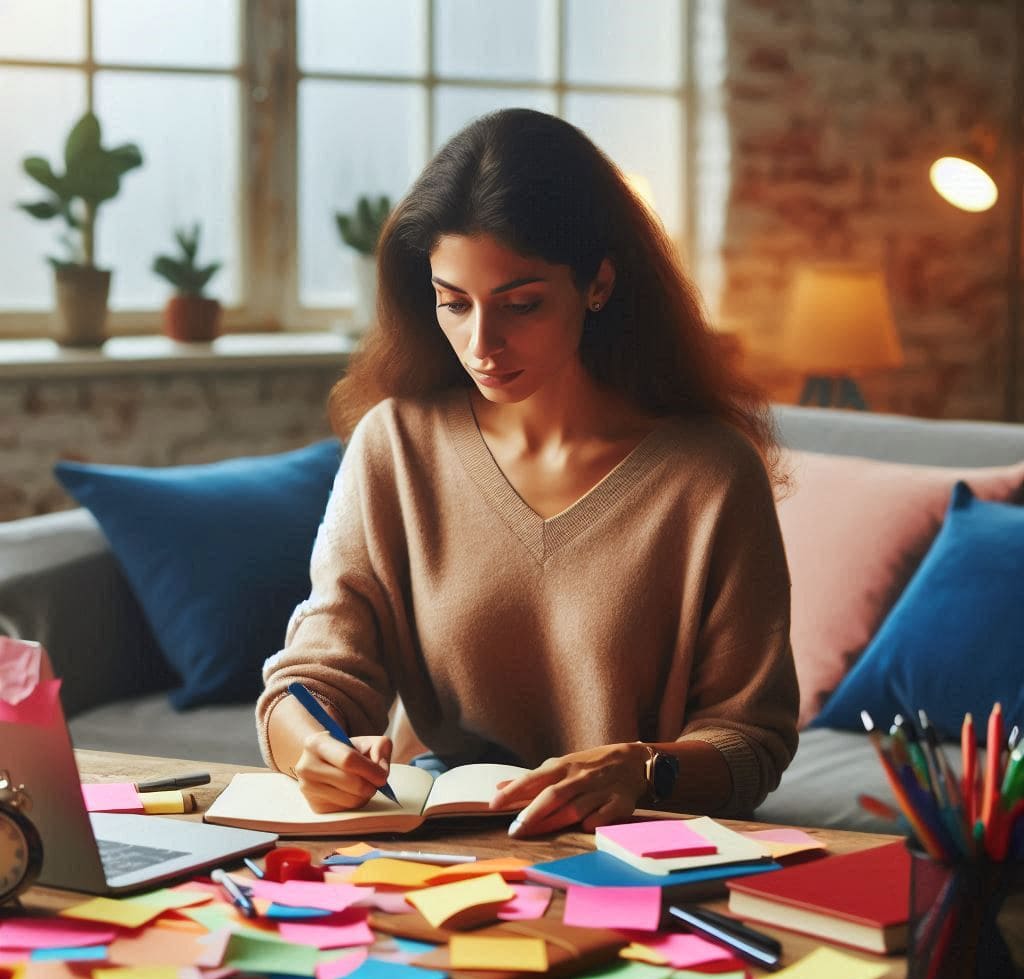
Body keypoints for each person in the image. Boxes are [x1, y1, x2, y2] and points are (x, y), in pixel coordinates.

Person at [256, 108, 799, 838]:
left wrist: (638, 768)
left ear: (598, 283)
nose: (482, 344)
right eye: (454, 303)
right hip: (430, 849)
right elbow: (314, 677)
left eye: (521, 304)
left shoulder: (708, 476)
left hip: (635, 851)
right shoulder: (397, 445)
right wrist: (311, 749)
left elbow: (751, 744)